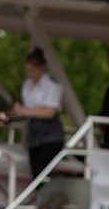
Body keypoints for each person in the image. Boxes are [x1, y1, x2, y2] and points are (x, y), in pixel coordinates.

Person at [5, 48, 66, 177]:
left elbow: (50, 112)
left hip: (50, 135)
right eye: (27, 71)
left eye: (33, 70)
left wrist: (24, 111)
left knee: (42, 173)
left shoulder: (52, 85)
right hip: (34, 135)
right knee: (35, 173)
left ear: (42, 68)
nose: (30, 74)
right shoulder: (27, 84)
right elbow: (27, 109)